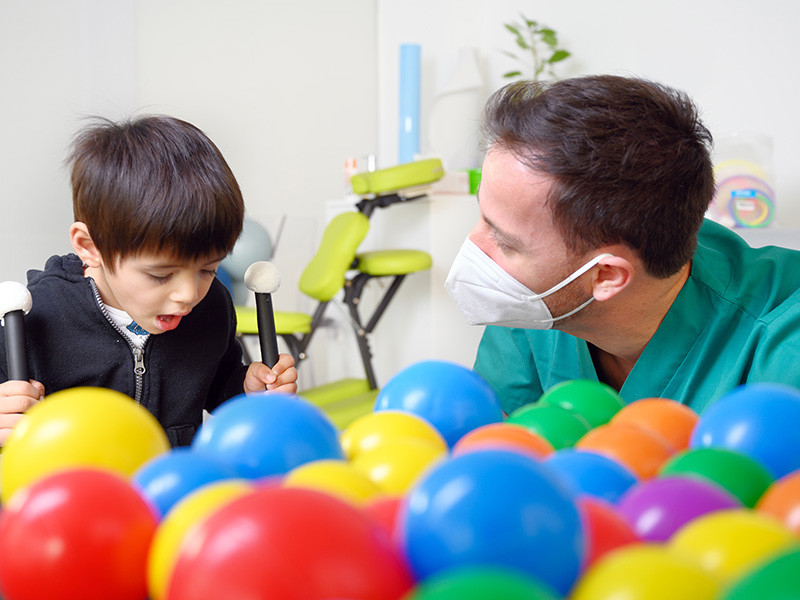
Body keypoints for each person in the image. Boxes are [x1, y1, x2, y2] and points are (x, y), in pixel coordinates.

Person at [445, 75, 800, 416]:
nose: (475, 248)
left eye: (505, 242)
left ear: (607, 275)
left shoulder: (782, 351)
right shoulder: (528, 305)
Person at [0, 115, 297, 446]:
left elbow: (216, 382)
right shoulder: (38, 316)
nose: (187, 294)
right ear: (89, 247)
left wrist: (245, 389)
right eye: (161, 275)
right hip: (79, 488)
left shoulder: (211, 304)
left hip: (173, 486)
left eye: (208, 269)